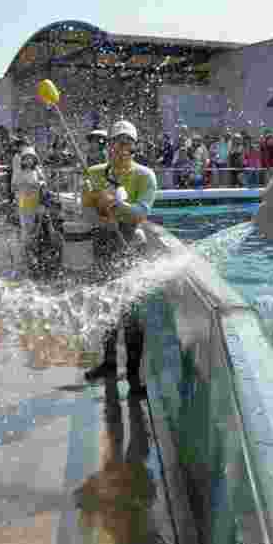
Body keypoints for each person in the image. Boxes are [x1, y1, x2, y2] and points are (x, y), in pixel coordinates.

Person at [81, 120, 157, 396]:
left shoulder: (145, 176)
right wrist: (98, 208)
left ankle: (135, 376)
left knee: (132, 311)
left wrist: (116, 204)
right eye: (117, 142)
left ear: (134, 146)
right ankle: (109, 362)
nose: (121, 147)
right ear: (109, 144)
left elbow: (141, 213)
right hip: (103, 242)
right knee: (107, 304)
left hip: (131, 245)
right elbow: (86, 214)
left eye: (127, 142)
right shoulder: (94, 173)